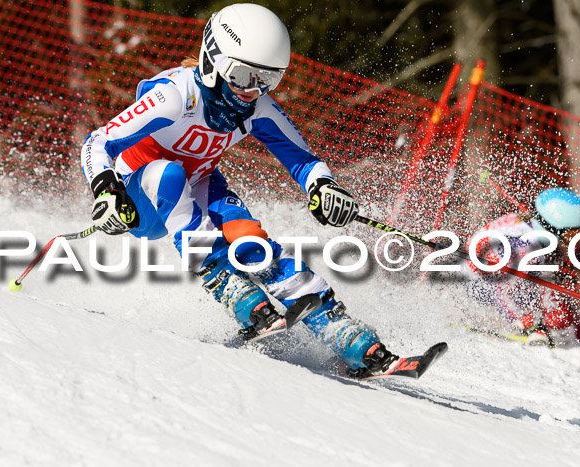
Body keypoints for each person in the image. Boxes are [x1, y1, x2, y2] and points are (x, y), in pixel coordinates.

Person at [80, 3, 398, 377]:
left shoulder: (256, 107)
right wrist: (106, 191)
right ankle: (228, 285)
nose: (254, 90)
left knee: (247, 236)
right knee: (168, 173)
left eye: (268, 79)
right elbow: (98, 141)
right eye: (245, 76)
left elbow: (302, 159)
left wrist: (323, 187)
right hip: (140, 199)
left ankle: (343, 332)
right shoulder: (175, 98)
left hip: (198, 184)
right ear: (214, 60)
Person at [463, 188, 580, 347]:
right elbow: (498, 290)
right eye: (574, 234)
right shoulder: (525, 247)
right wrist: (529, 325)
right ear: (555, 227)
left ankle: (577, 339)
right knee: (551, 296)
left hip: (508, 280)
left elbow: (569, 245)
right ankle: (525, 328)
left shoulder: (538, 229)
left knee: (557, 298)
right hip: (477, 285)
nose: (578, 240)